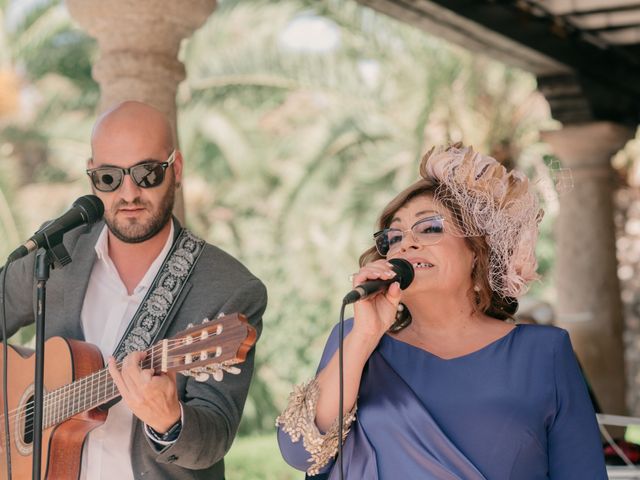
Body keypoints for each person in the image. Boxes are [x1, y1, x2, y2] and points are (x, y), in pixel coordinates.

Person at [276, 144, 606, 479]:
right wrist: (364, 335)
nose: (405, 244)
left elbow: (582, 471)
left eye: (429, 227)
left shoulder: (543, 352)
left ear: (478, 251)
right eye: (394, 236)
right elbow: (300, 452)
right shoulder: (354, 340)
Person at [0, 101, 267, 479]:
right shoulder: (60, 251)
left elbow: (214, 437)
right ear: (91, 176)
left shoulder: (229, 289)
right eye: (109, 177)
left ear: (176, 169)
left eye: (147, 173)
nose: (129, 194)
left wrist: (170, 421)